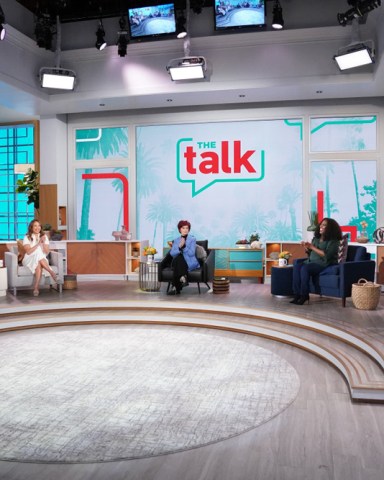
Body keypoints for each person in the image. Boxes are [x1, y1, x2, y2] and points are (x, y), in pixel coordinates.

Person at [291, 217, 342, 305]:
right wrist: (307, 247)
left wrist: (312, 247)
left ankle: (304, 295)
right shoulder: (316, 239)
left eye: (324, 225)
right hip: (311, 261)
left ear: (330, 228)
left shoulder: (334, 241)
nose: (321, 227)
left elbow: (326, 255)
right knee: (297, 266)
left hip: (323, 263)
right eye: (321, 224)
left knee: (305, 268)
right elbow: (311, 252)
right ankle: (296, 294)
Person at [22, 219, 58, 297]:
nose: (37, 227)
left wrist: (44, 244)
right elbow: (28, 252)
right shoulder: (27, 237)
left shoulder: (44, 236)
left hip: (41, 259)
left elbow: (46, 252)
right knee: (38, 255)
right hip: (29, 258)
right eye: (35, 226)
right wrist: (39, 243)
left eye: (39, 226)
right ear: (31, 227)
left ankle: (36, 288)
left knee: (38, 260)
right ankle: (51, 272)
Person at [167, 220, 200, 295]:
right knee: (178, 259)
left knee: (177, 260)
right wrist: (179, 248)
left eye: (187, 228)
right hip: (179, 262)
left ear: (189, 229)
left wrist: (184, 246)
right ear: (179, 229)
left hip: (189, 261)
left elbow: (191, 253)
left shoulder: (192, 239)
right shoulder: (176, 240)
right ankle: (183, 277)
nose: (185, 230)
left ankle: (175, 287)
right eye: (183, 228)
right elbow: (172, 253)